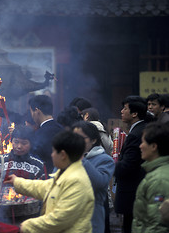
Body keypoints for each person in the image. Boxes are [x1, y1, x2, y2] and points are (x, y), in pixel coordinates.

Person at [4, 130, 95, 233]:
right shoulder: (64, 174)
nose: (51, 155)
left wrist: (25, 226)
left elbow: (58, 219)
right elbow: (43, 187)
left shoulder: (76, 181)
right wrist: (16, 181)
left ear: (63, 155)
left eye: (53, 152)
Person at [72, 121, 115, 233]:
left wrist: (81, 159)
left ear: (93, 140)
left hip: (92, 218)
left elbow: (99, 183)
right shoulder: (69, 158)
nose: (76, 142)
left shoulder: (105, 160)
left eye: (80, 138)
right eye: (73, 137)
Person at [114, 95, 147, 233]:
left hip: (132, 192)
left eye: (125, 108)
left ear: (134, 113)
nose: (121, 111)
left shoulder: (135, 134)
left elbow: (128, 165)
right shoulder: (140, 129)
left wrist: (113, 164)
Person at [132, 122, 169, 232]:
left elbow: (157, 225)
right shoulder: (155, 173)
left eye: (143, 142)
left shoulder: (159, 180)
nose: (140, 146)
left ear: (153, 146)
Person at [28, 95, 64, 176]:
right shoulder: (61, 129)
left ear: (37, 111)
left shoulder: (39, 134)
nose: (32, 116)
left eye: (31, 112)